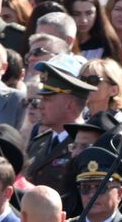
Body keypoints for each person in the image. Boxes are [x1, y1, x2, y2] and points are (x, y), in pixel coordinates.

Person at [24, 57, 93, 201]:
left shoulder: (87, 145)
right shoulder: (39, 142)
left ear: (70, 105)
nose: (40, 105)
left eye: (47, 99)